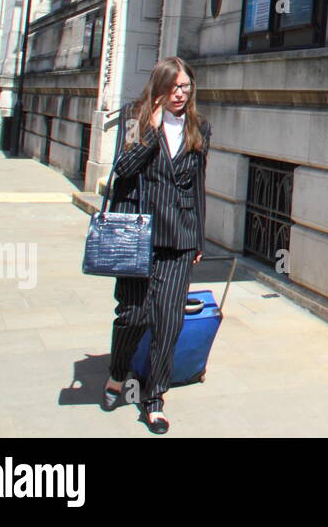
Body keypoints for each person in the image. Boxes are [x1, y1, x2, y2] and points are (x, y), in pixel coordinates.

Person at [100, 57, 211, 434]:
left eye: (186, 87)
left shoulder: (199, 128)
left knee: (168, 320)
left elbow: (197, 186)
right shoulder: (137, 120)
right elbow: (123, 169)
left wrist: (198, 235)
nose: (180, 94)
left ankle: (154, 399)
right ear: (160, 87)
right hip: (139, 236)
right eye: (174, 87)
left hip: (178, 237)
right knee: (133, 314)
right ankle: (117, 373)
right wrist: (150, 129)